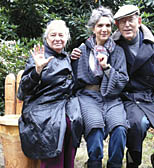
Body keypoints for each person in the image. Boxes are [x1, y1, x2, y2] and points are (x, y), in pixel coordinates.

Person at [112, 5, 154, 168]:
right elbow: (92, 47)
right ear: (117, 26)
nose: (127, 25)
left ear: (139, 21)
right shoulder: (112, 45)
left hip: (153, 97)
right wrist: (77, 52)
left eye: (130, 20)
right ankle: (133, 160)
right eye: (122, 22)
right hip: (128, 97)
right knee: (137, 124)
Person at [17, 20, 82, 168]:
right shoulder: (39, 57)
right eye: (53, 35)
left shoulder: (66, 56)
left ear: (66, 38)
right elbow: (23, 91)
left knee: (73, 121)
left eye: (61, 35)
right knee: (55, 128)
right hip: (41, 106)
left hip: (63, 104)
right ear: (46, 38)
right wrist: (37, 70)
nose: (57, 38)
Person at [71, 6, 129, 168]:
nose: (104, 29)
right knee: (94, 126)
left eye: (108, 25)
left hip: (112, 97)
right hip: (88, 96)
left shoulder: (118, 52)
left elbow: (123, 79)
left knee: (119, 127)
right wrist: (71, 59)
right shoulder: (82, 50)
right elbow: (73, 76)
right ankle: (94, 162)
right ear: (93, 28)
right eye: (100, 25)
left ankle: (115, 164)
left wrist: (107, 67)